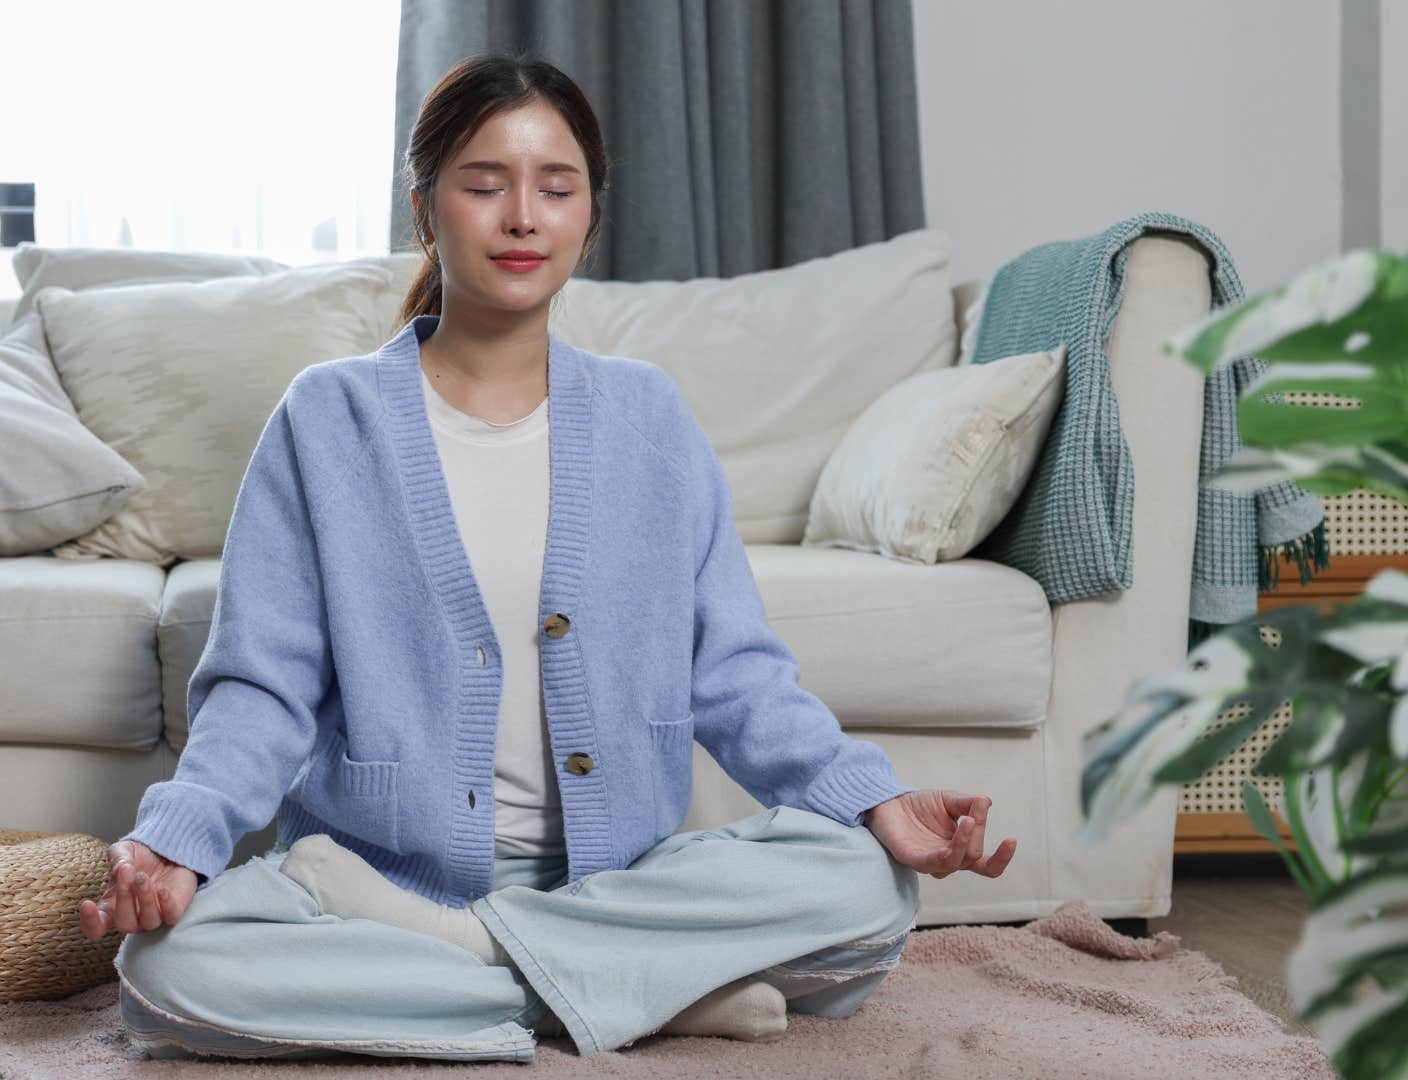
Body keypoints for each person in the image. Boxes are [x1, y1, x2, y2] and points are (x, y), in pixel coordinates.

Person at [77, 51, 1015, 1063]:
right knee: (170, 977)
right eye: (485, 185)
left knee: (871, 887)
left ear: (587, 216)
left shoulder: (647, 417)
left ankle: (476, 961)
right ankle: (636, 990)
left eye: (556, 188)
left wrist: (873, 799)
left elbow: (737, 675)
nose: (523, 215)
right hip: (380, 881)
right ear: (427, 210)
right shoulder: (329, 418)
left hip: (620, 883)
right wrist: (177, 837)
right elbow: (263, 685)